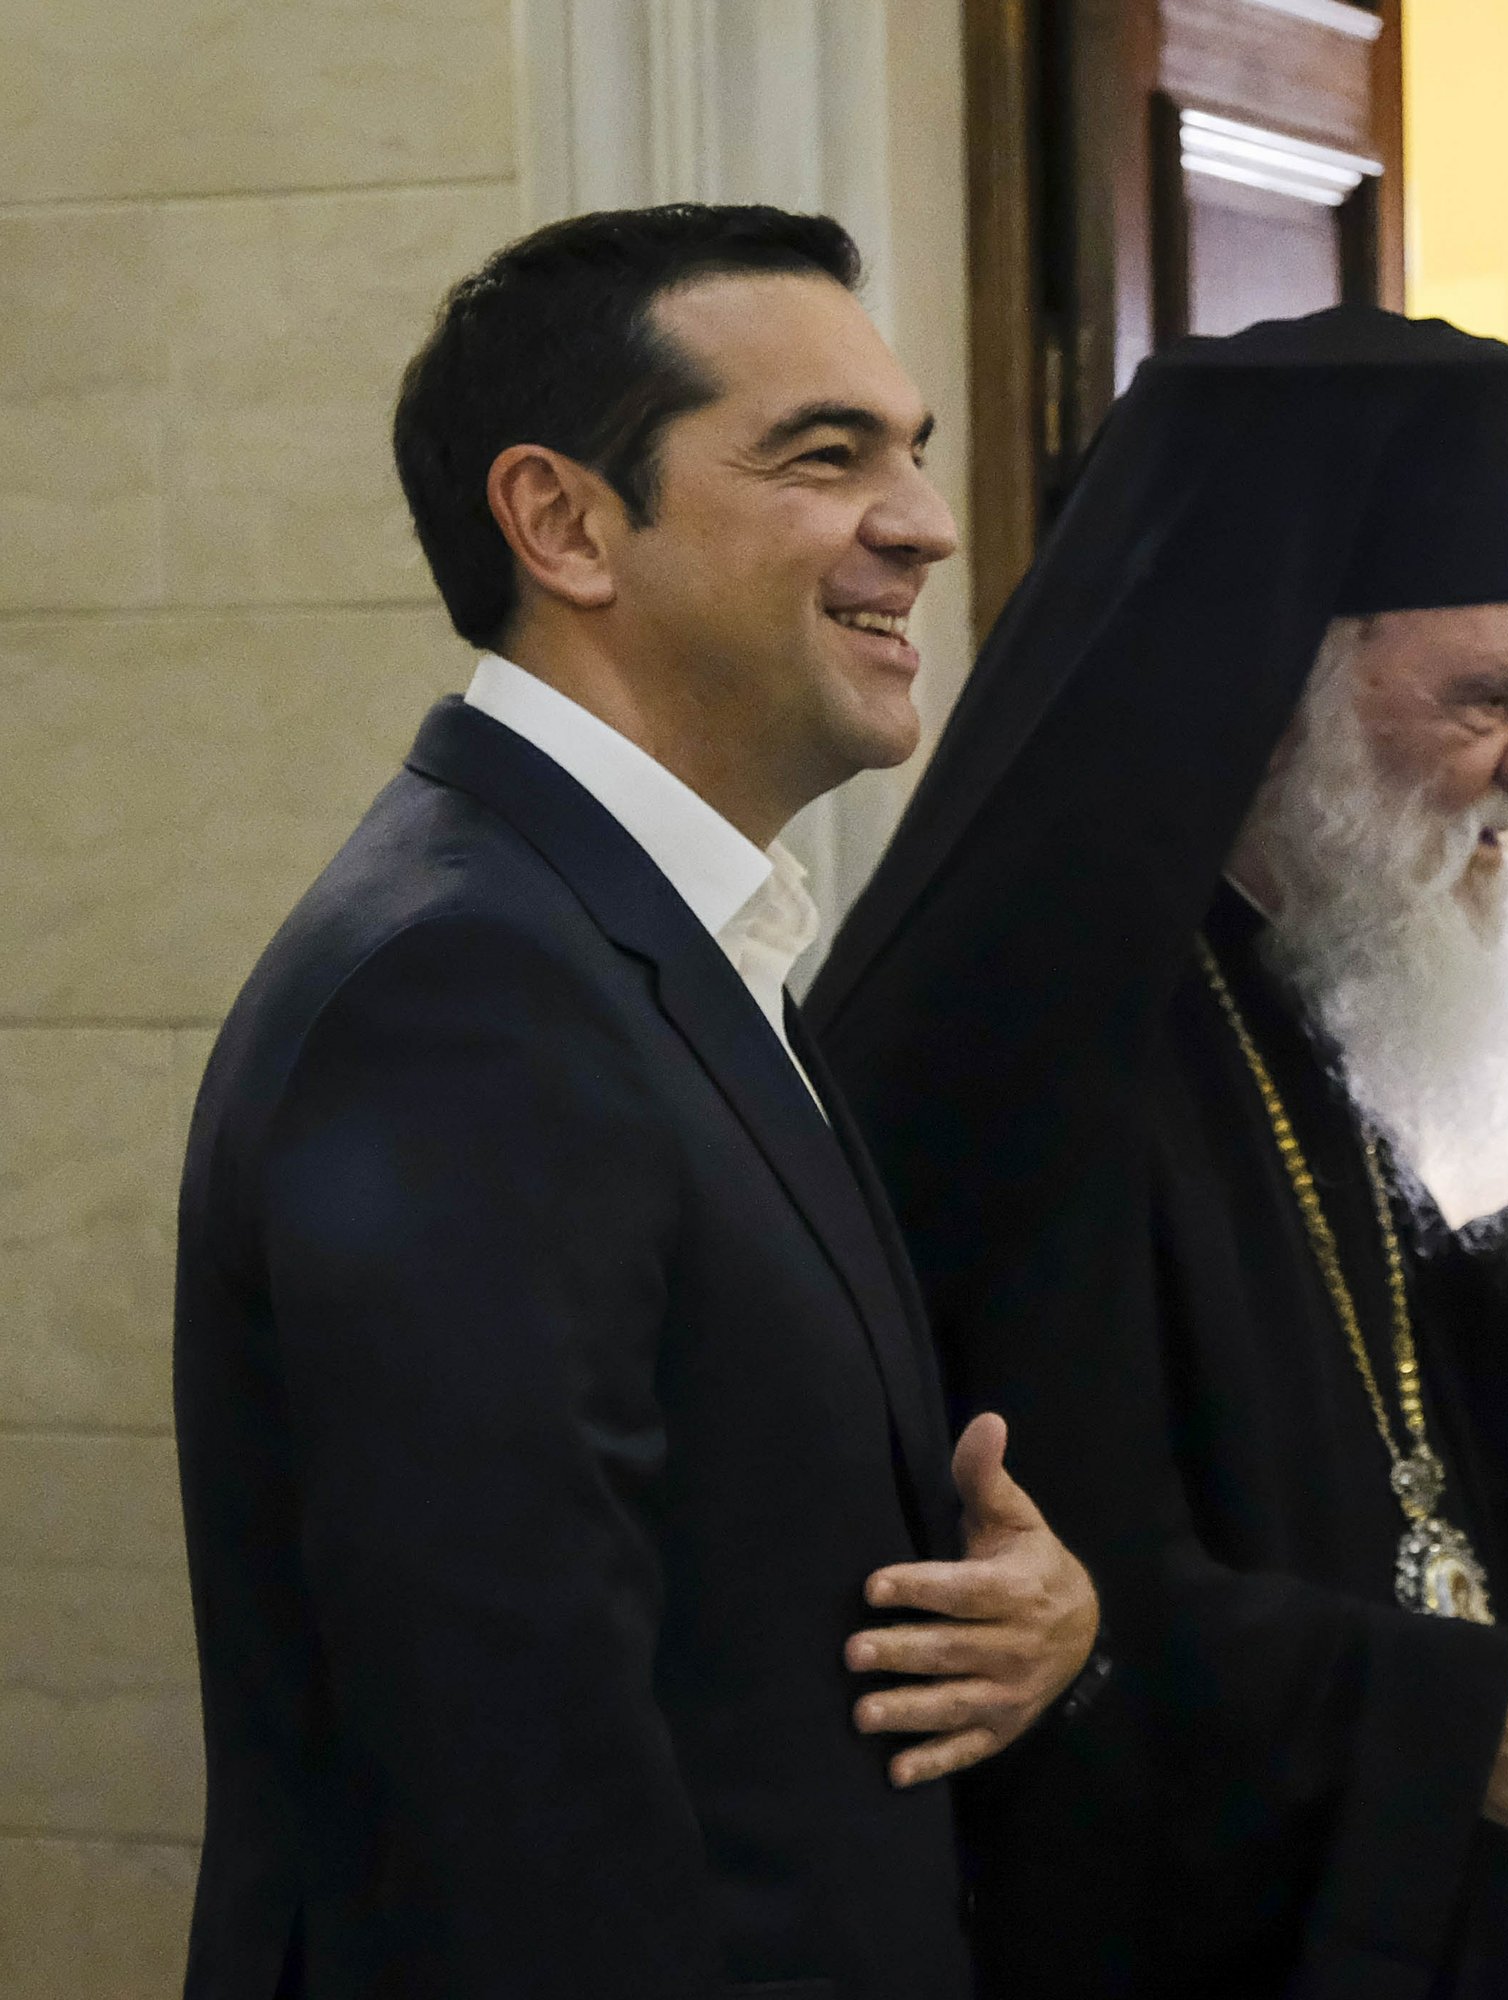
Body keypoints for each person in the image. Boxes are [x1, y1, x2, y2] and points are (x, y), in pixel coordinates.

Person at [172, 205, 1099, 2000]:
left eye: (910, 452)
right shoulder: (468, 988)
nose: (923, 520)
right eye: (824, 456)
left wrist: (1021, 1616)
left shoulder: (649, 923)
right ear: (566, 525)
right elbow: (506, 1791)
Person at [807, 304, 1508, 1998]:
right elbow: (1031, 1607)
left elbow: (1369, 1459)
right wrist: (1462, 1719)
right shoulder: (1019, 1046)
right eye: (1489, 698)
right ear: (1267, 696)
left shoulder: (1280, 977)